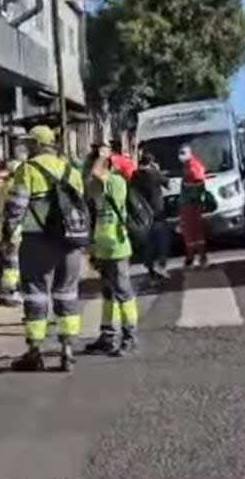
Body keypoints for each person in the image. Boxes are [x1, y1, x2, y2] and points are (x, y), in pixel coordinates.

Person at [3, 125, 85, 372]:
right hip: (71, 242)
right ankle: (67, 350)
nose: (26, 147)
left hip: (37, 241)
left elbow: (17, 207)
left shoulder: (27, 170)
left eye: (29, 143)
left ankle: (34, 352)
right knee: (67, 294)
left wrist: (7, 233)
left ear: (37, 144)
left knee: (36, 294)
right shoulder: (71, 170)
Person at [84, 148, 140, 356]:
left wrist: (103, 155)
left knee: (124, 292)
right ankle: (107, 337)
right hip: (103, 247)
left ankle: (129, 337)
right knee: (108, 294)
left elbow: (97, 173)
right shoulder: (98, 188)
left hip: (117, 245)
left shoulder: (116, 182)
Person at [0, 139, 31, 307]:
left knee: (8, 262)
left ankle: (5, 293)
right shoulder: (15, 185)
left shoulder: (3, 184)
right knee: (13, 263)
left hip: (4, 226)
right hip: (14, 227)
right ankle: (10, 294)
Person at [131, 152, 170, 279]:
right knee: (161, 240)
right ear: (151, 162)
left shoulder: (135, 176)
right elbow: (168, 185)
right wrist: (158, 170)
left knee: (147, 243)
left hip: (142, 214)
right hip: (157, 212)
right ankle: (161, 265)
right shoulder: (154, 174)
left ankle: (150, 268)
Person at [177, 143, 208, 268]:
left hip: (190, 205)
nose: (181, 156)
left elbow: (197, 185)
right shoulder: (190, 166)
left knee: (191, 232)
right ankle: (199, 257)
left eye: (183, 153)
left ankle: (194, 258)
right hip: (191, 205)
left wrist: (190, 191)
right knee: (194, 232)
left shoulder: (193, 168)